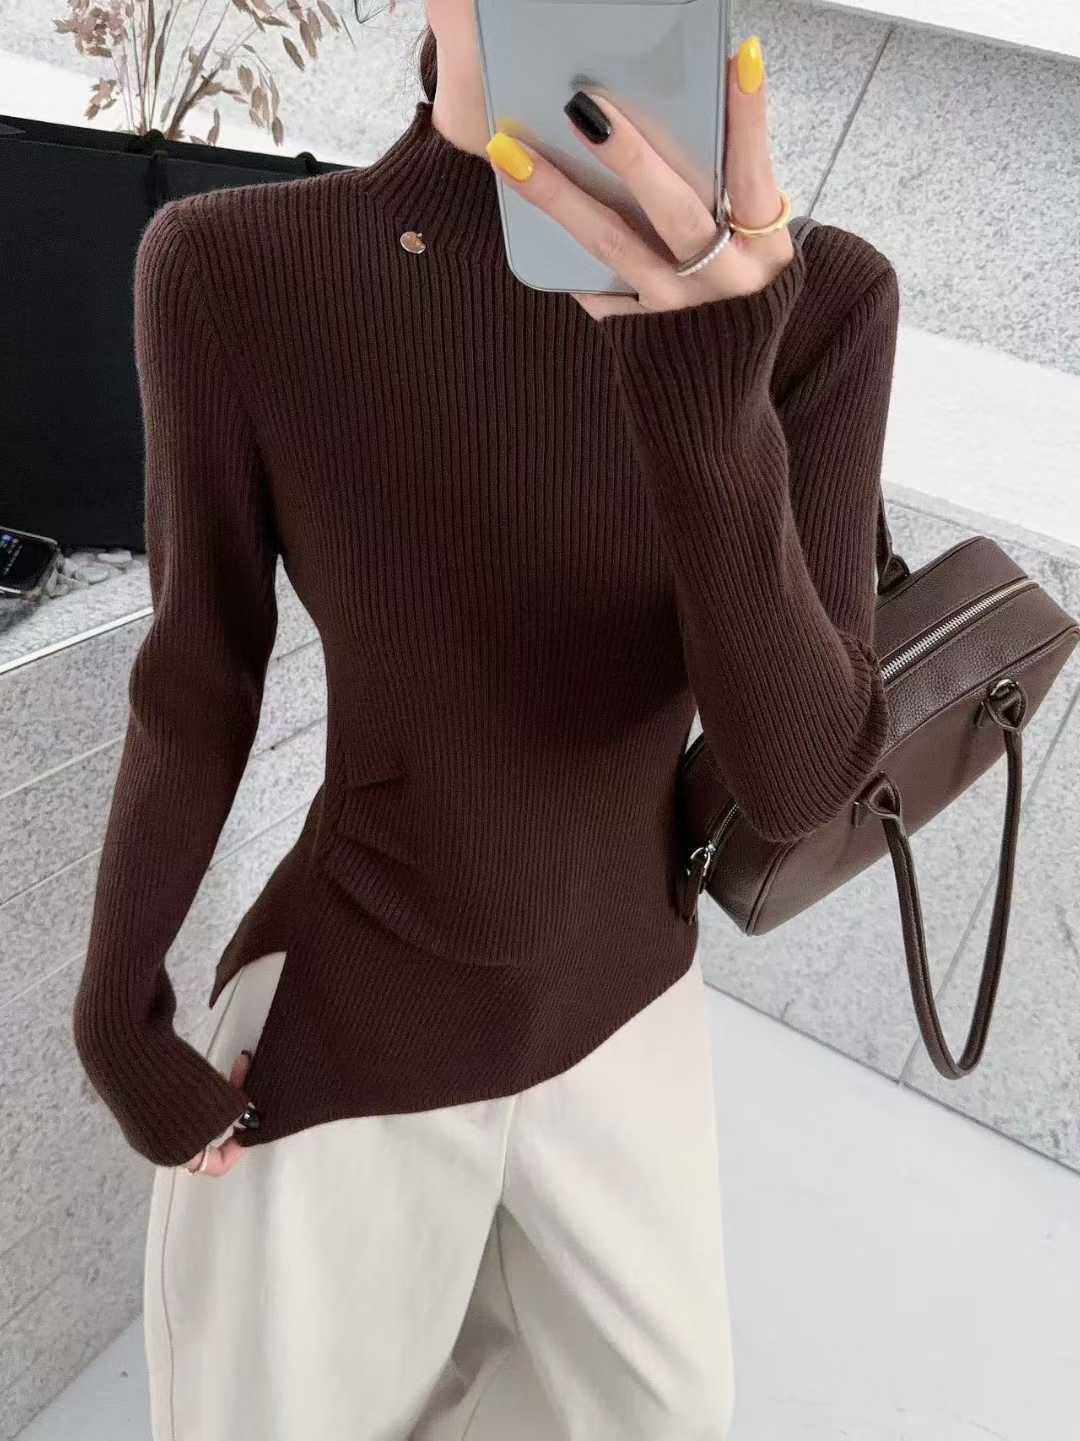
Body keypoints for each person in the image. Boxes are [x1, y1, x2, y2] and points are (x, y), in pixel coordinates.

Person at [72, 4, 900, 1438]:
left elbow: (798, 781)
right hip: (345, 1034)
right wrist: (114, 1007)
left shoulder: (818, 302)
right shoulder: (238, 268)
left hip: (624, 1012)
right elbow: (199, 675)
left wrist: (713, 396)